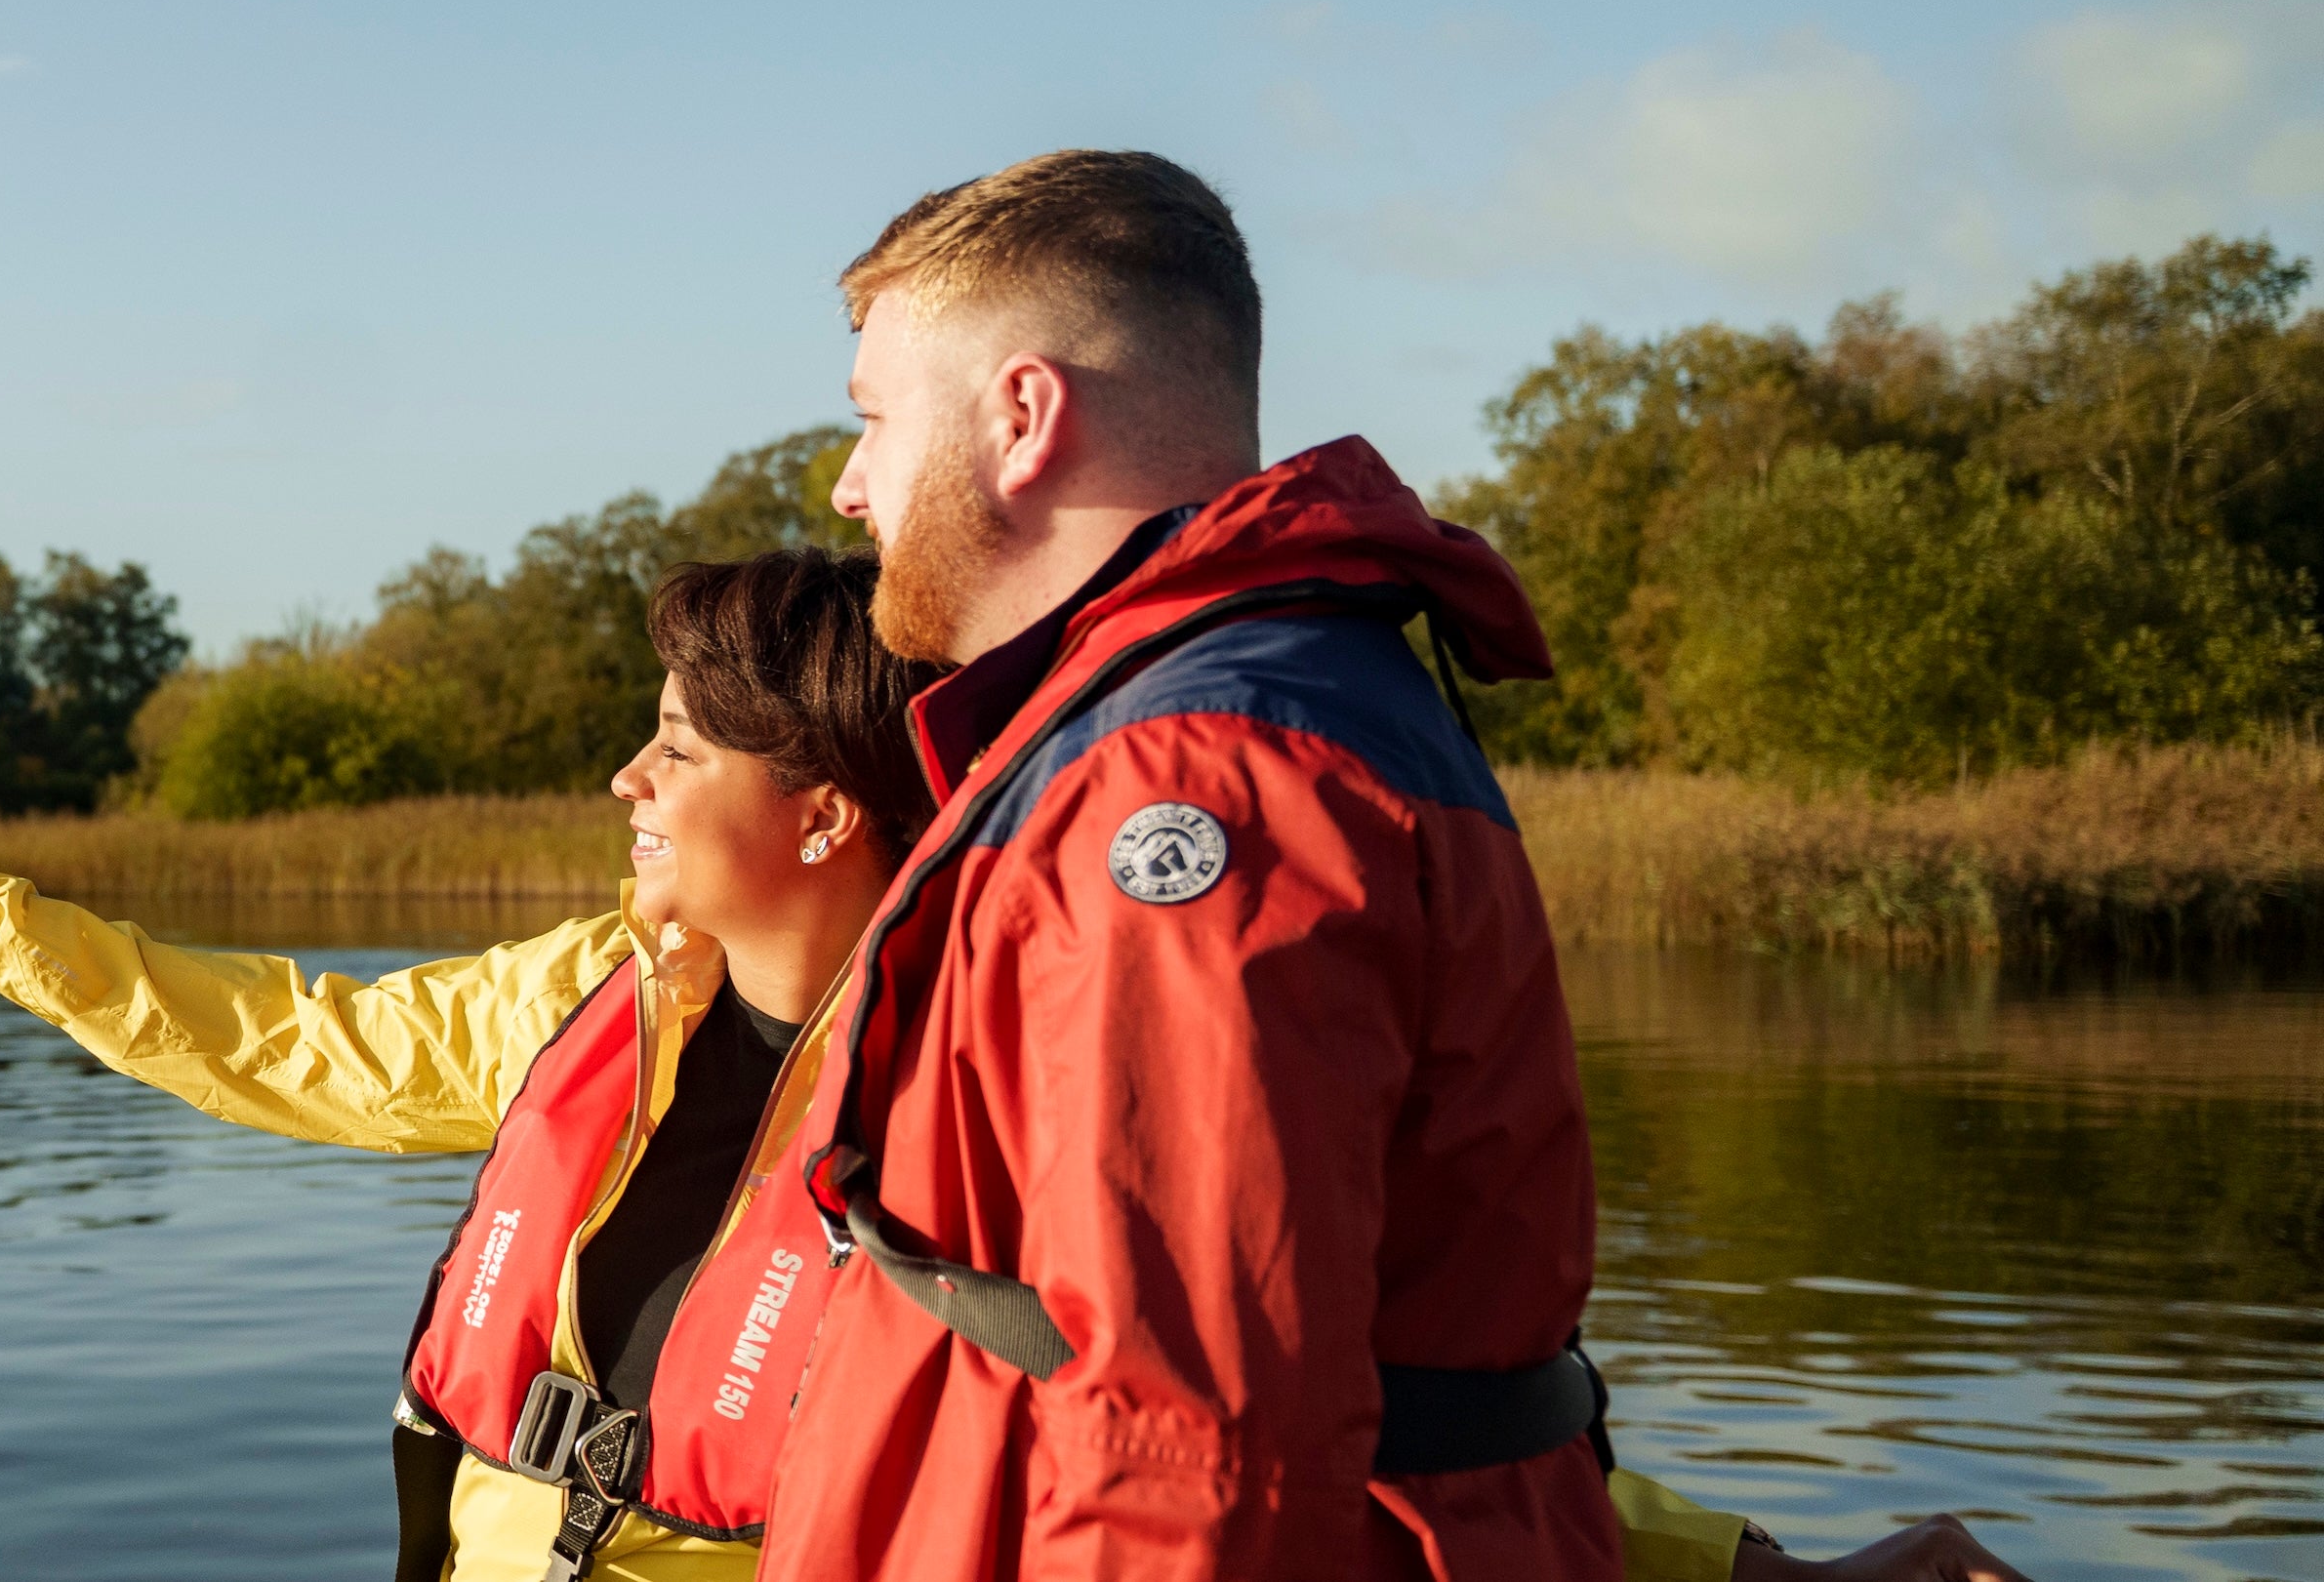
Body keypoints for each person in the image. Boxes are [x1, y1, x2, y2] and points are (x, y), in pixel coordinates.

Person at [0, 548, 2021, 1582]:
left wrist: (1764, 1578)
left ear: (825, 815)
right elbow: (294, 1036)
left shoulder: (989, 1095)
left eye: (675, 752)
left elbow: (1311, 1423)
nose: (626, 788)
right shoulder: (592, 995)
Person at [752, 150, 2038, 1582]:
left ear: (1023, 416)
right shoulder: (1230, 713)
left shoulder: (1196, 781)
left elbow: (1194, 1443)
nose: (855, 488)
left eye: (871, 422)